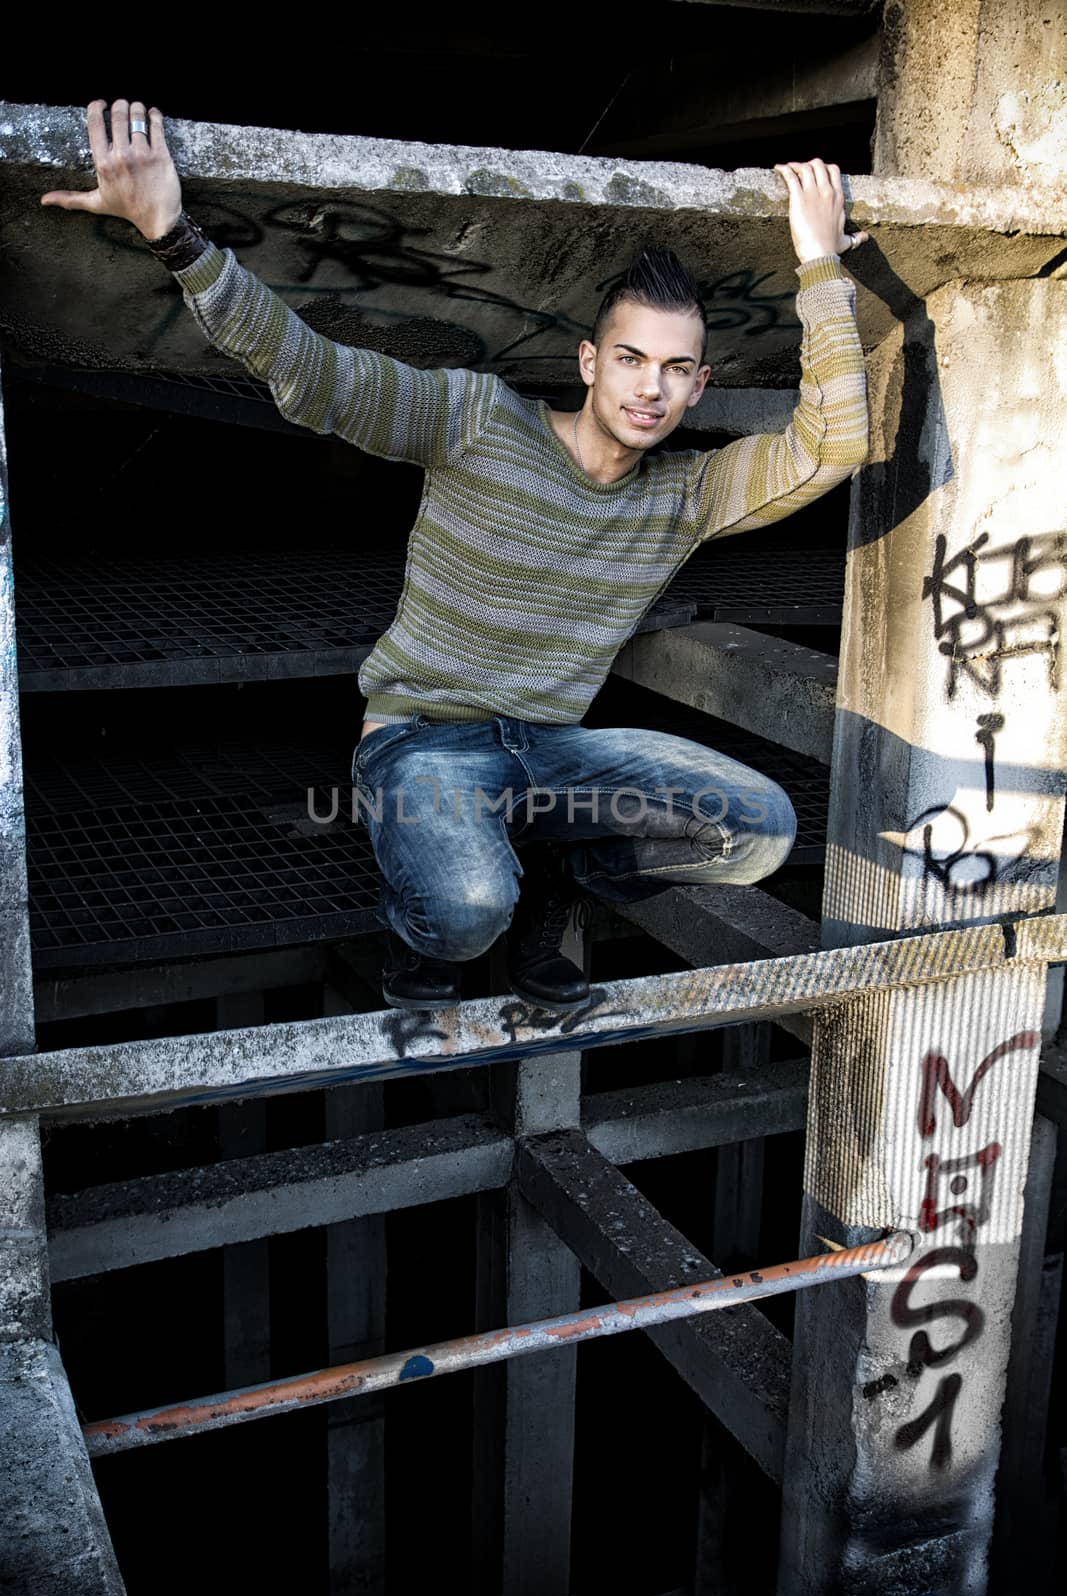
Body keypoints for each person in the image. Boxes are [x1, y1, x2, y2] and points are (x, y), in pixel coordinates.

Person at [42, 99, 870, 1014]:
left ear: (698, 383)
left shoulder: (688, 494)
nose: (651, 387)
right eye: (632, 359)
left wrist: (818, 263)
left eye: (676, 369)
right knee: (470, 906)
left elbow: (832, 444)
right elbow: (314, 371)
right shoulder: (478, 421)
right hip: (421, 744)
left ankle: (560, 876)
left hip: (552, 753)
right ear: (590, 362)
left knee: (757, 833)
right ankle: (424, 932)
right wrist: (172, 234)